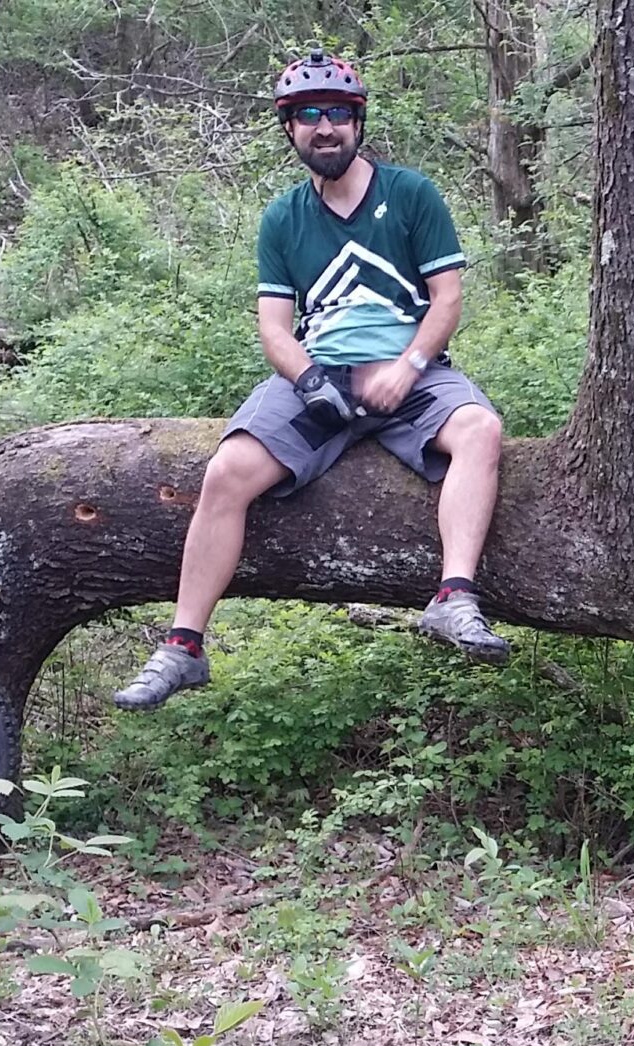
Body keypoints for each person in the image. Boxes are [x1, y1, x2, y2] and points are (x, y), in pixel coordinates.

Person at [115, 50, 511, 711]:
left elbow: (446, 301)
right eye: (306, 116)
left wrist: (408, 366)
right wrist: (308, 381)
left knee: (480, 429)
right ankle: (182, 647)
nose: (322, 127)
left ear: (357, 121)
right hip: (320, 375)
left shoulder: (410, 195)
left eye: (334, 113)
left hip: (411, 374)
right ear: (290, 129)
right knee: (225, 472)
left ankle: (454, 598)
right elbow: (274, 327)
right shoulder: (284, 218)